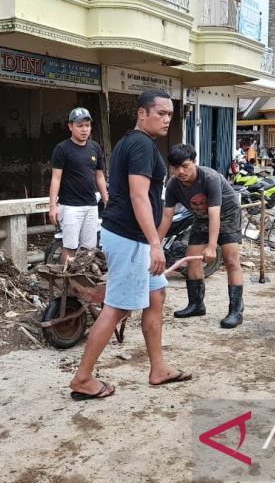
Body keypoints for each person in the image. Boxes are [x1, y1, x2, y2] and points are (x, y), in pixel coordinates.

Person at [68, 90, 190, 400]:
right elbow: (138, 196)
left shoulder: (135, 143)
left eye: (169, 115)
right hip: (129, 237)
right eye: (160, 113)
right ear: (142, 113)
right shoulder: (139, 145)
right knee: (117, 307)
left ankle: (158, 368)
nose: (166, 119)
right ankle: (82, 379)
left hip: (131, 236)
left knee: (156, 295)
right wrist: (155, 243)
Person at [158, 144, 245, 329]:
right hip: (201, 217)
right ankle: (196, 304)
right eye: (175, 167)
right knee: (192, 257)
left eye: (185, 166)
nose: (180, 171)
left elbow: (215, 213)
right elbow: (167, 216)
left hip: (227, 214)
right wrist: (155, 244)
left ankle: (236, 310)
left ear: (194, 163)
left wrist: (212, 246)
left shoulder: (209, 178)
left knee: (230, 259)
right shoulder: (173, 184)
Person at [48, 107, 109, 264]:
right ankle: (66, 285)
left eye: (87, 126)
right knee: (70, 247)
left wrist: (106, 199)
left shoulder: (95, 148)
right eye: (80, 126)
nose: (84, 130)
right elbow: (56, 178)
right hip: (70, 207)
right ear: (70, 126)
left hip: (91, 205)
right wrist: (53, 206)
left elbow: (100, 176)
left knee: (89, 250)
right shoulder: (62, 149)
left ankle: (82, 286)